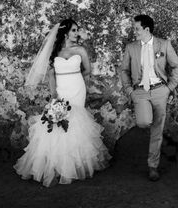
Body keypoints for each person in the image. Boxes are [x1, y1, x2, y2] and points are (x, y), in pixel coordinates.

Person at [14, 19, 111, 187]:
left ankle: (74, 165)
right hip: (61, 89)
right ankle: (56, 165)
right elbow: (51, 75)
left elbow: (87, 70)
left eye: (77, 30)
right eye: (74, 30)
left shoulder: (80, 50)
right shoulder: (55, 51)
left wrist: (81, 83)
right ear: (66, 33)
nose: (77, 33)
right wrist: (53, 94)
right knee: (57, 123)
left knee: (76, 121)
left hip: (77, 88)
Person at [119, 14, 178, 181]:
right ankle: (146, 117)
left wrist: (170, 88)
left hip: (160, 90)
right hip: (139, 91)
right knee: (144, 122)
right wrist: (129, 90)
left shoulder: (164, 44)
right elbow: (124, 70)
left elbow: (176, 66)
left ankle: (153, 166)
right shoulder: (131, 47)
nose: (134, 31)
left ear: (146, 29)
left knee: (157, 131)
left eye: (137, 28)